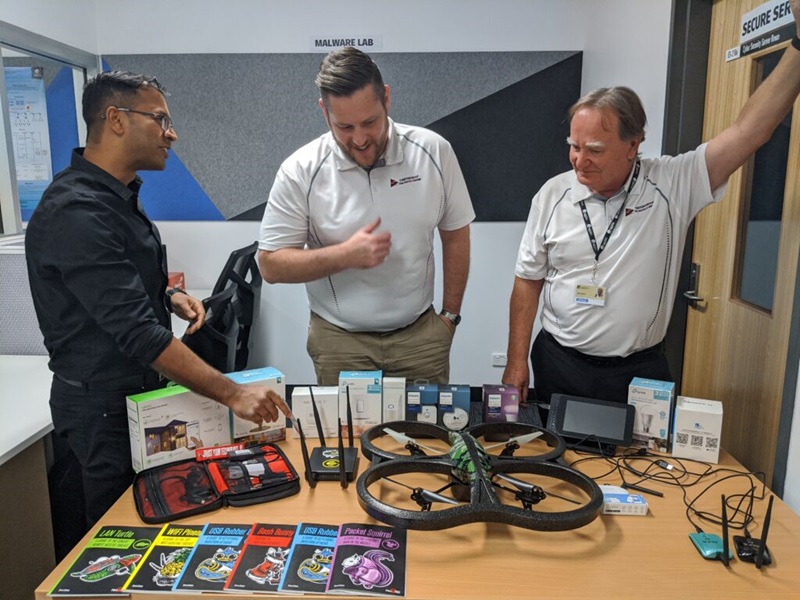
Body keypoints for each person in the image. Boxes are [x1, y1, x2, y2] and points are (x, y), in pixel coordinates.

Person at [25, 71, 291, 549]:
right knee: (117, 543)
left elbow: (110, 287)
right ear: (116, 120)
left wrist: (166, 296)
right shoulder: (76, 211)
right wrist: (231, 394)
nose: (172, 133)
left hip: (135, 400)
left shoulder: (116, 196)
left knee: (157, 530)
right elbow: (139, 336)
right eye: (161, 119)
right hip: (101, 413)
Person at [503, 1, 800, 407]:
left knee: (640, 471)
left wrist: (798, 45)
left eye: (594, 149)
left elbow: (750, 132)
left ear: (634, 144)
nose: (579, 160)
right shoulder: (553, 194)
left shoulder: (673, 183)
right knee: (563, 463)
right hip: (559, 363)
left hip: (637, 372)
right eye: (572, 146)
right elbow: (527, 279)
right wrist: (515, 361)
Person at [258, 47, 475, 385]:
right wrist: (344, 255)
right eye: (344, 126)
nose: (359, 139)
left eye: (370, 122)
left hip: (421, 338)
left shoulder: (433, 151)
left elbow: (456, 234)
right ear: (324, 112)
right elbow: (269, 264)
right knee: (344, 438)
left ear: (386, 98)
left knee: (428, 436)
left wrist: (449, 317)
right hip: (339, 341)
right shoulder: (300, 170)